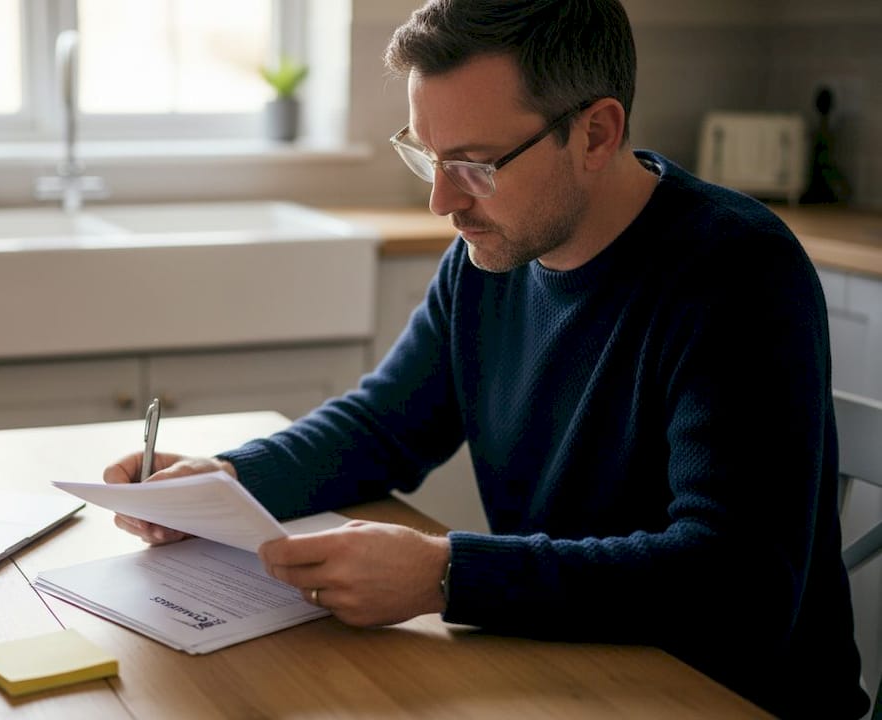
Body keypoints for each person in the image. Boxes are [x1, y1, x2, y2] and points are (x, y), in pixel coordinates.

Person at [103, 1, 868, 716]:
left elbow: (736, 586)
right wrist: (229, 480)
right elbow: (382, 425)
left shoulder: (735, 274)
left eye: (473, 164)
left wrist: (446, 574)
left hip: (724, 698)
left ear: (596, 133)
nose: (441, 201)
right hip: (562, 670)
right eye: (425, 155)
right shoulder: (487, 259)